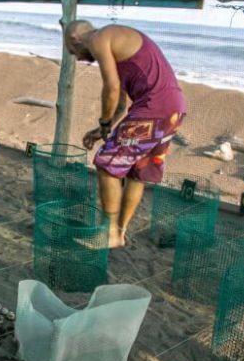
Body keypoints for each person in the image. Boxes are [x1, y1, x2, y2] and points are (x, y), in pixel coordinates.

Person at [64, 20, 187, 248]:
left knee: (106, 163)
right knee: (138, 170)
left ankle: (108, 232)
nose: (78, 58)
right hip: (173, 108)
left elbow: (110, 89)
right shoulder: (118, 47)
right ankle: (119, 233)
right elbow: (120, 106)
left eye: (73, 53)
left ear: (75, 38)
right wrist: (102, 129)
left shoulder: (101, 37)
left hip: (154, 107)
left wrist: (103, 120)